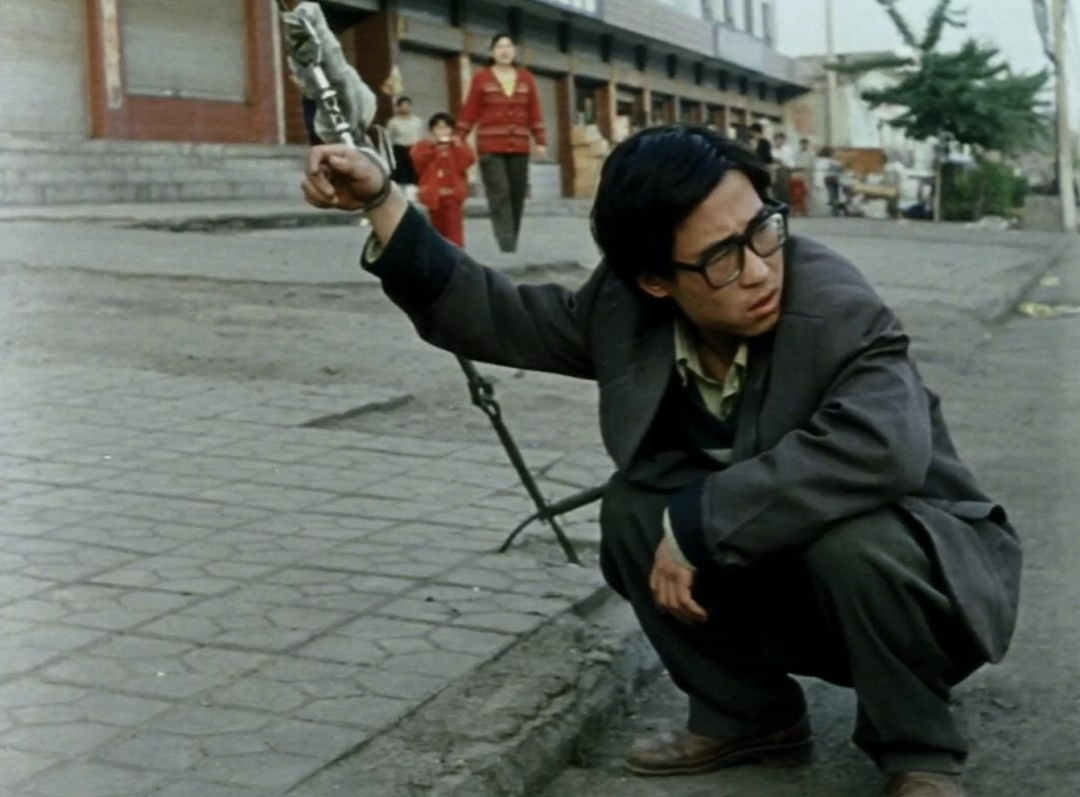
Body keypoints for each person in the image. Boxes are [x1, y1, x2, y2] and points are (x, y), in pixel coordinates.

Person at [300, 125, 1021, 797]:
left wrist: (701, 522)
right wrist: (382, 200)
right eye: (721, 257)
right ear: (654, 280)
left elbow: (883, 446)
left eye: (763, 228)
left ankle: (919, 751)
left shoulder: (834, 303)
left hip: (926, 586)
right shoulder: (625, 308)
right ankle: (749, 716)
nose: (760, 270)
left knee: (849, 539)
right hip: (790, 571)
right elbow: (501, 316)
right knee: (633, 509)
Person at [456, 32, 547, 253]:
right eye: (499, 47)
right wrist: (459, 136)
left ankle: (511, 239)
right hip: (490, 147)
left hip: (520, 147)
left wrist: (541, 141)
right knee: (500, 193)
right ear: (492, 52)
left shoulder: (526, 78)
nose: (504, 51)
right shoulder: (482, 79)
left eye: (508, 46)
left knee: (516, 195)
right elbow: (470, 110)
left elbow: (534, 111)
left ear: (514, 51)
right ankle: (506, 245)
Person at [410, 112, 475, 247]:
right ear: (432, 130)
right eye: (438, 128)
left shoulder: (458, 145)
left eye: (446, 127)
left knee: (453, 231)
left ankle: (455, 256)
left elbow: (468, 161)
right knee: (436, 231)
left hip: (452, 195)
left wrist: (457, 145)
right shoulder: (424, 146)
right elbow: (417, 161)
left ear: (452, 130)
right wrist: (434, 148)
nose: (442, 131)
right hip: (434, 195)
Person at [386, 96, 425, 196]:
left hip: (415, 149)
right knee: (401, 173)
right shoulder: (393, 122)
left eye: (407, 105)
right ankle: (401, 193)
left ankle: (415, 193)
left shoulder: (417, 121)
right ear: (398, 107)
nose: (405, 108)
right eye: (402, 106)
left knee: (415, 171)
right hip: (399, 150)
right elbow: (388, 138)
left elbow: (421, 135)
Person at [791, 137, 816, 215]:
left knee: (807, 193)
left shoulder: (811, 154)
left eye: (805, 144)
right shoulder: (796, 153)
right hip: (797, 175)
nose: (803, 146)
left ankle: (807, 209)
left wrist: (803, 168)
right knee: (797, 193)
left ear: (807, 145)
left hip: (807, 175)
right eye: (802, 144)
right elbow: (794, 164)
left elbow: (811, 165)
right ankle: (797, 209)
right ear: (800, 145)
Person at [771, 132, 795, 204]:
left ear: (783, 140)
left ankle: (786, 204)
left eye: (780, 139)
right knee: (776, 190)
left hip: (785, 170)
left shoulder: (787, 149)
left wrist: (776, 160)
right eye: (776, 139)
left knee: (784, 189)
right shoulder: (772, 149)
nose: (778, 141)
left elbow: (783, 161)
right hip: (775, 171)